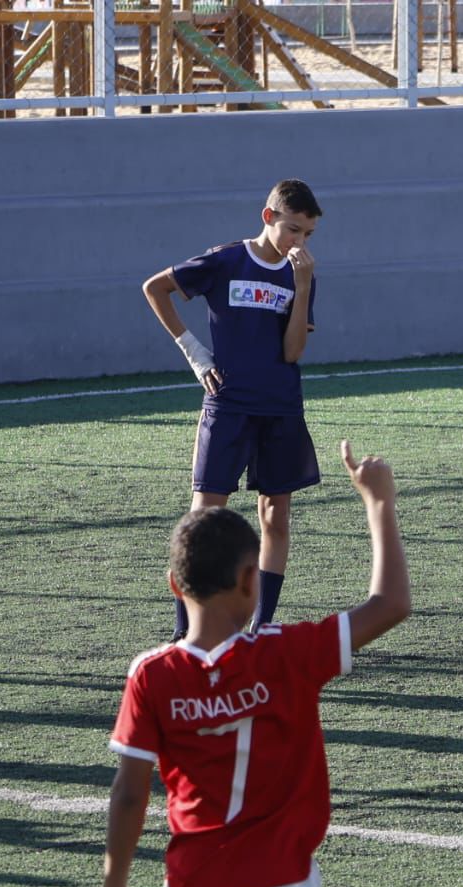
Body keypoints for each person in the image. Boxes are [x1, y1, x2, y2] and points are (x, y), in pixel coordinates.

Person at [103, 440, 411, 887]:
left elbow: (131, 792)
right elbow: (391, 605)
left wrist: (114, 886)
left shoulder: (151, 675)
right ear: (251, 581)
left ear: (173, 585)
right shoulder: (286, 652)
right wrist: (379, 503)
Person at [143, 179, 324, 642]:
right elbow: (155, 288)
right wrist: (193, 351)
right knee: (204, 514)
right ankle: (187, 632)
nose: (298, 241)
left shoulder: (300, 272)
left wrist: (302, 287)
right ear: (268, 218)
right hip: (228, 405)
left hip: (280, 407)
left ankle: (263, 627)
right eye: (293, 229)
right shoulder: (225, 259)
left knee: (275, 516)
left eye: (307, 234)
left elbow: (293, 352)